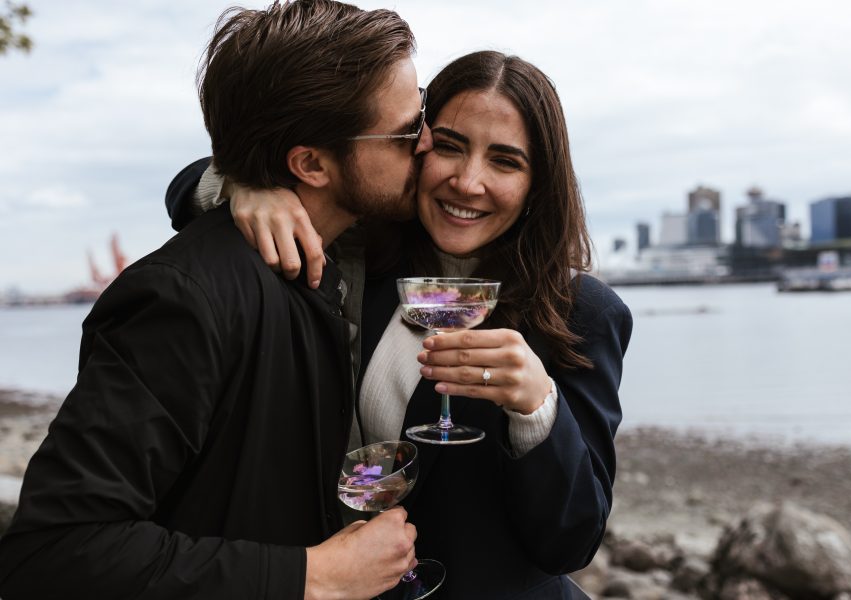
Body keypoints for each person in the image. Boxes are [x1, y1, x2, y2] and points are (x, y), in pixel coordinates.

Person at [0, 2, 434, 599]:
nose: (429, 144)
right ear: (310, 163)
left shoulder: (328, 263)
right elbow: (54, 553)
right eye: (407, 131)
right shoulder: (184, 300)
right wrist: (314, 576)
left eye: (425, 112)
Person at [167, 51, 633, 598]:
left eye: (505, 162)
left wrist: (537, 410)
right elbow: (184, 188)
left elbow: (570, 544)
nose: (468, 181)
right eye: (451, 147)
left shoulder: (583, 312)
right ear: (416, 144)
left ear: (538, 184)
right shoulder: (360, 254)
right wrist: (250, 187)